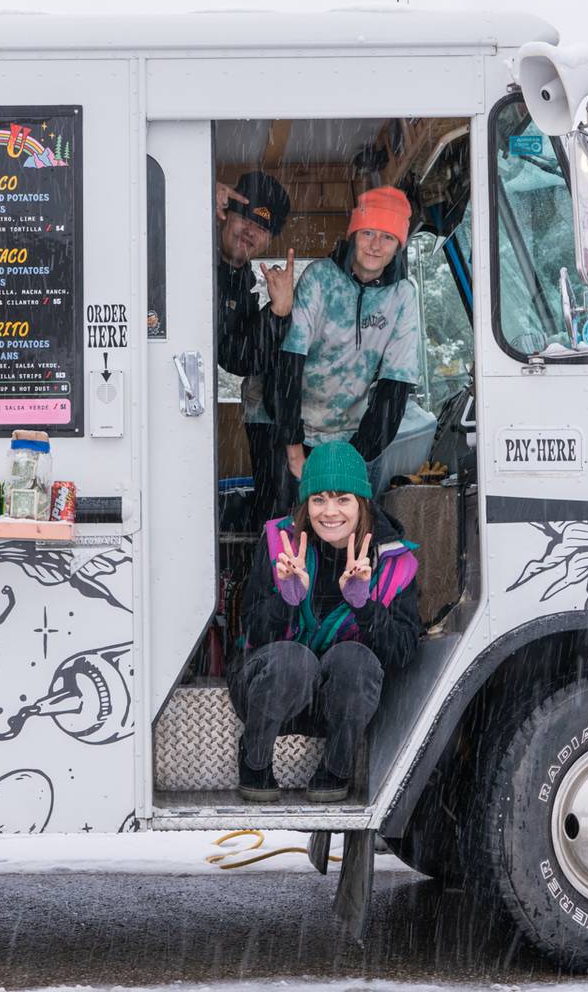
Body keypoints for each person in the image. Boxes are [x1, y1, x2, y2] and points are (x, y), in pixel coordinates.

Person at [230, 440, 422, 802]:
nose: (329, 512)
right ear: (306, 503)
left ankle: (336, 767)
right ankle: (254, 761)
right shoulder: (278, 542)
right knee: (293, 660)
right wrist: (286, 599)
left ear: (362, 502)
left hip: (336, 705)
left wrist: (364, 606)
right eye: (318, 499)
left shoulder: (396, 560)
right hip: (268, 692)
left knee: (356, 660)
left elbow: (404, 651)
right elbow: (250, 633)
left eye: (342, 498)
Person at [271, 186, 421, 495]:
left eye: (388, 237)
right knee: (291, 532)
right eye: (368, 233)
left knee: (349, 531)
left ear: (398, 246)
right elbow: (289, 364)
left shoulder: (402, 295)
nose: (376, 246)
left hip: (355, 438)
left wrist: (357, 458)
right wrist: (294, 450)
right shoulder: (319, 278)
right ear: (353, 234)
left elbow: (396, 384)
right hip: (298, 433)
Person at [213, 172, 298, 524]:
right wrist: (192, 196)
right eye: (244, 217)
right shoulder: (186, 243)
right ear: (224, 214)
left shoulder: (240, 281)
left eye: (261, 227)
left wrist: (277, 313)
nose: (249, 231)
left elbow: (238, 358)